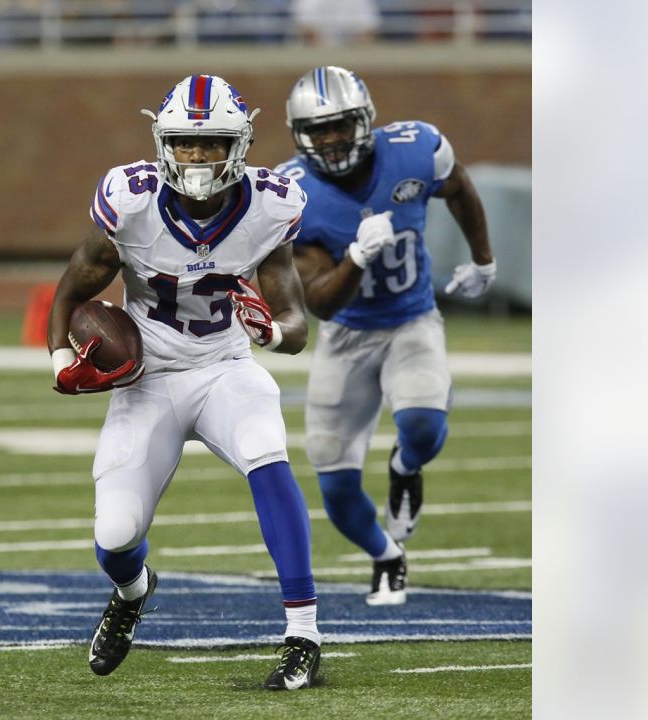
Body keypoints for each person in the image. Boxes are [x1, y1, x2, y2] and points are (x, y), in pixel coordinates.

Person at [47, 74, 322, 690]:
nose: (197, 157)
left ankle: (304, 635)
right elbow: (74, 286)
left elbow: (297, 320)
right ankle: (133, 589)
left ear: (240, 145)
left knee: (265, 452)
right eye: (185, 143)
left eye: (212, 143)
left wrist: (274, 334)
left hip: (224, 366)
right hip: (149, 376)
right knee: (115, 534)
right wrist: (58, 359)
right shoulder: (131, 198)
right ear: (163, 143)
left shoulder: (271, 205)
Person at [276, 66, 496, 605]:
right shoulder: (291, 193)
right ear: (300, 136)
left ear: (365, 121)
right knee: (334, 479)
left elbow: (459, 186)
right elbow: (322, 302)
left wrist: (484, 261)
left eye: (340, 126)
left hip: (412, 319)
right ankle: (386, 555)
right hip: (347, 336)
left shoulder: (415, 147)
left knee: (421, 424)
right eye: (317, 130)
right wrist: (355, 256)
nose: (330, 139)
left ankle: (404, 467)